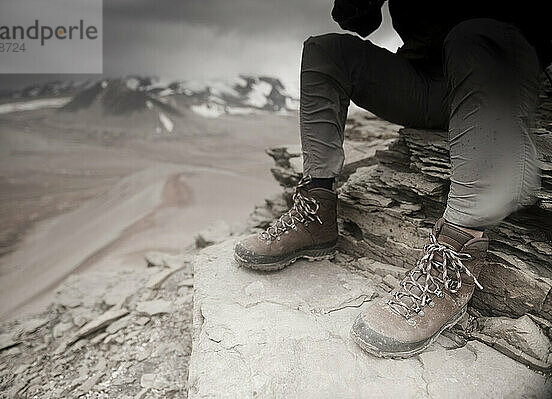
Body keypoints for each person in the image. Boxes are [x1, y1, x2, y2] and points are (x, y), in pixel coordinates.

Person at [234, 0, 552, 358]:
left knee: (472, 34)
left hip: (495, 68)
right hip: (425, 80)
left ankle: (454, 258)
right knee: (325, 50)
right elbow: (355, 18)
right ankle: (316, 211)